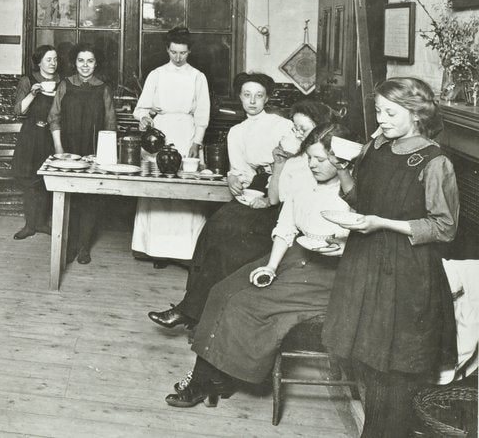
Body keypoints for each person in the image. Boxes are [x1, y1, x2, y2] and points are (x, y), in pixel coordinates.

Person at [166, 123, 354, 408]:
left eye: (320, 159)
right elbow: (286, 228)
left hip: (328, 274)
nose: (312, 164)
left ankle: (204, 381)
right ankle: (217, 377)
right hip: (295, 256)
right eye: (310, 158)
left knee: (244, 303)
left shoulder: (353, 194)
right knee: (221, 291)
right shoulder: (304, 183)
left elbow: (364, 244)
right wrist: (271, 267)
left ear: (341, 160)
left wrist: (341, 248)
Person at [323, 77, 459, 438]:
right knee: (369, 364)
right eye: (378, 111)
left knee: (395, 372)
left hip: (407, 274)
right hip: (366, 265)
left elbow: (444, 228)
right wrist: (341, 169)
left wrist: (382, 223)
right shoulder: (376, 146)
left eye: (389, 112)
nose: (380, 119)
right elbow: (361, 202)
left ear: (416, 114)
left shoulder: (435, 161)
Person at [147, 72, 294, 329]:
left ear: (267, 98)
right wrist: (232, 177)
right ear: (240, 97)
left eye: (259, 96)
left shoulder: (283, 126)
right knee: (213, 230)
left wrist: (271, 192)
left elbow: (293, 166)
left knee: (231, 243)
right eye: (247, 95)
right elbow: (242, 171)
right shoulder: (236, 132)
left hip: (282, 191)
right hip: (256, 188)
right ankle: (191, 307)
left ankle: (191, 312)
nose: (252, 101)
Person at [130, 26, 211, 265]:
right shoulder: (156, 74)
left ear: (189, 52)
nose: (178, 57)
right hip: (160, 134)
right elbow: (140, 108)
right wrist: (145, 118)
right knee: (158, 191)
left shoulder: (197, 76)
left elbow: (202, 113)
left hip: (186, 133)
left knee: (186, 191)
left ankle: (186, 252)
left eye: (182, 53)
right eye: (174, 52)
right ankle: (156, 250)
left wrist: (197, 141)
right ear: (167, 49)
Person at [49, 44, 116, 265]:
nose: (85, 65)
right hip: (68, 150)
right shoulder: (65, 84)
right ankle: (69, 246)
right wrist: (59, 148)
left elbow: (110, 123)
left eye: (90, 61)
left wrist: (102, 155)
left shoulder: (103, 88)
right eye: (81, 60)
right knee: (69, 198)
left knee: (90, 199)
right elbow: (54, 117)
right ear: (74, 63)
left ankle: (84, 247)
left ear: (96, 64)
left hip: (93, 152)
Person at [9, 44, 59, 240]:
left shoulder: (61, 82)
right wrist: (33, 93)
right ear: (39, 62)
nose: (53, 63)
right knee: (29, 179)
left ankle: (42, 223)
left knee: (47, 178)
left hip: (51, 134)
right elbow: (18, 111)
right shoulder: (28, 80)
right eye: (49, 59)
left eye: (55, 59)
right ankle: (30, 225)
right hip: (31, 135)